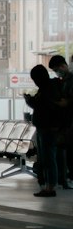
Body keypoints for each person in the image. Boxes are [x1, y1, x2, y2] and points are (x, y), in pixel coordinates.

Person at [25, 63, 66, 197]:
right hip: (47, 127)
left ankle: (50, 187)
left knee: (49, 158)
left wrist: (30, 101)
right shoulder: (48, 87)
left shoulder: (48, 89)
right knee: (47, 158)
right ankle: (48, 185)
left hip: (48, 128)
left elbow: (43, 106)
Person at [47, 55, 73, 188]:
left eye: (57, 69)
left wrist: (57, 102)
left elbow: (67, 102)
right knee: (65, 153)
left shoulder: (70, 81)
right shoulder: (63, 81)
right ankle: (65, 179)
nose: (57, 72)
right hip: (65, 123)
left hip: (69, 123)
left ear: (63, 66)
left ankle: (67, 179)